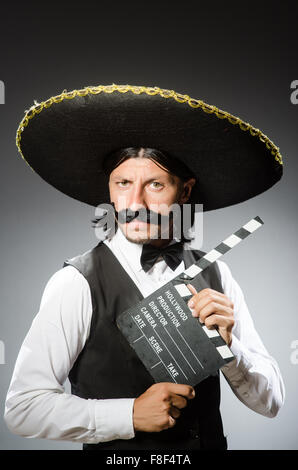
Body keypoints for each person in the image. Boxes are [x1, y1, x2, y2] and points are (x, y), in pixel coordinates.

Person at [4, 84, 285, 450]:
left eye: (154, 184)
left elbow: (271, 404)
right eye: (122, 183)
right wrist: (129, 415)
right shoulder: (75, 283)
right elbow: (22, 409)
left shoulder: (217, 274)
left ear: (184, 192)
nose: (134, 202)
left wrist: (231, 351)